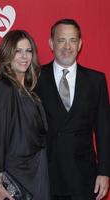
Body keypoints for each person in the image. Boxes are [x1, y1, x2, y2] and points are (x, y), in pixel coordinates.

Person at [35, 19, 110, 200]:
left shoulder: (96, 81)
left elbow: (103, 130)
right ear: (51, 44)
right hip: (45, 175)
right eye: (61, 40)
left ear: (80, 44)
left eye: (73, 40)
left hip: (84, 177)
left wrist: (105, 172)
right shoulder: (35, 77)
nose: (67, 46)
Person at [0, 30, 50, 200]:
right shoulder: (5, 88)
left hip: (36, 169)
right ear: (7, 53)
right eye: (18, 51)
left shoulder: (28, 88)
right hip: (18, 172)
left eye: (28, 51)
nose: (24, 56)